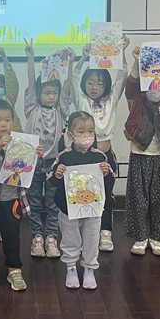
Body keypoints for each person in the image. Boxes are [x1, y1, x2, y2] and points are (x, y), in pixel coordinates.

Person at [0, 100, 41, 294]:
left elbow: (29, 170)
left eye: (7, 120)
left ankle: (14, 269)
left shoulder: (19, 142)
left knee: (12, 237)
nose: (3, 124)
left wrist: (36, 156)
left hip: (11, 201)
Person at [72, 34, 130, 251]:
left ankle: (105, 232)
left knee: (105, 195)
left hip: (105, 156)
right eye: (90, 82)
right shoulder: (81, 100)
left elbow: (123, 75)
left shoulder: (111, 100)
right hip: (83, 158)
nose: (94, 87)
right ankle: (84, 233)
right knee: (83, 194)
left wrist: (122, 51)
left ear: (106, 85)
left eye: (99, 83)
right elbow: (74, 76)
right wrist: (83, 57)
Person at [123, 45, 160, 257]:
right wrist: (137, 62)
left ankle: (157, 237)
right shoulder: (136, 99)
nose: (156, 89)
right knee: (138, 197)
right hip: (140, 153)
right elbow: (130, 86)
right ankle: (140, 236)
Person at [48, 111, 111, 290]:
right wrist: (58, 174)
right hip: (68, 208)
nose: (86, 136)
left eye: (90, 131)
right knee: (70, 238)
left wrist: (106, 172)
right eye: (81, 132)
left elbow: (108, 180)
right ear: (70, 135)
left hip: (93, 208)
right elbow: (51, 179)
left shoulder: (100, 156)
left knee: (92, 238)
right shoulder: (64, 157)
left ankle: (90, 269)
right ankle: (71, 268)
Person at [23, 39, 72, 259]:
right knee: (34, 202)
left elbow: (67, 88)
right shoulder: (31, 108)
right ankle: (37, 237)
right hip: (33, 162)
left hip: (54, 162)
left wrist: (71, 63)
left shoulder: (61, 110)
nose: (51, 96)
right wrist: (31, 58)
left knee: (52, 203)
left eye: (54, 93)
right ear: (38, 95)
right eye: (47, 93)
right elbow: (31, 84)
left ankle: (51, 236)